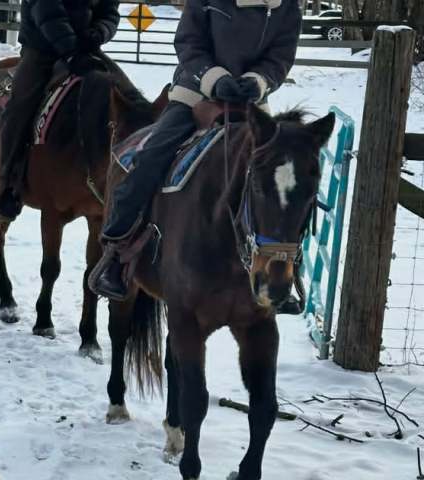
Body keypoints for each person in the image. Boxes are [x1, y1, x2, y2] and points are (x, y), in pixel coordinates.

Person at [91, 0, 303, 300]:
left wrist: (258, 81)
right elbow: (189, 42)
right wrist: (214, 78)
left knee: (289, 175)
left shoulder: (287, 6)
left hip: (251, 103)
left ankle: (284, 269)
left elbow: (281, 55)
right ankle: (117, 249)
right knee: (152, 156)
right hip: (195, 95)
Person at [0, 0, 136, 222]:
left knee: (130, 100)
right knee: (20, 104)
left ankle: (133, 178)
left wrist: (98, 32)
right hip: (42, 47)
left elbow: (110, 12)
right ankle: (8, 181)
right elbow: (46, 10)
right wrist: (70, 50)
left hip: (87, 48)